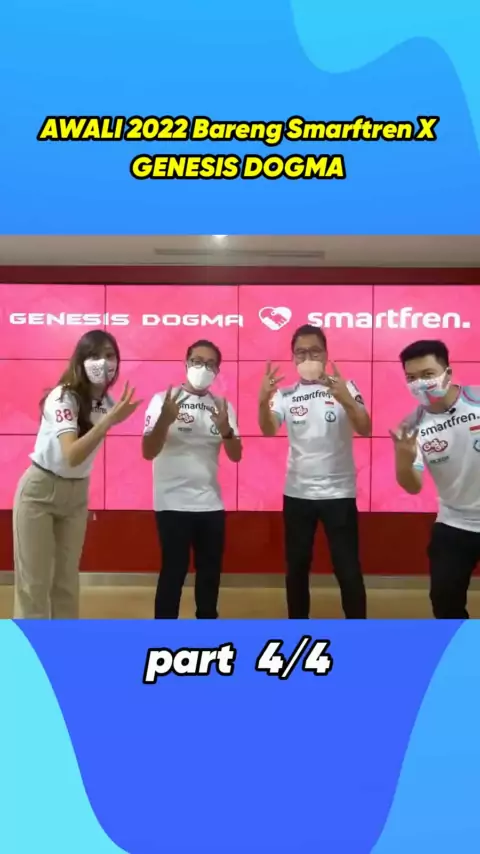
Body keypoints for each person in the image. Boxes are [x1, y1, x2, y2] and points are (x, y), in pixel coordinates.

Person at [13, 330, 141, 620]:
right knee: (34, 584)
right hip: (40, 491)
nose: (103, 363)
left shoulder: (106, 402)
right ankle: (30, 647)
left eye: (109, 355)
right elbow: (71, 454)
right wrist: (109, 421)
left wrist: (111, 416)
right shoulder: (63, 397)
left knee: (67, 582)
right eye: (94, 355)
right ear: (80, 360)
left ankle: (65, 644)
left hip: (76, 495)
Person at [258, 324, 370, 619]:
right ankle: (298, 628)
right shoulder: (285, 395)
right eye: (301, 352)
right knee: (296, 568)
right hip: (298, 494)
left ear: (326, 354)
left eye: (315, 351)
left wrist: (345, 399)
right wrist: (262, 400)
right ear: (293, 357)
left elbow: (365, 428)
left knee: (347, 568)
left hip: (339, 494)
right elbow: (268, 429)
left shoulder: (347, 387)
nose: (308, 357)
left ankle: (359, 632)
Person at [142, 339, 242, 619]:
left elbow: (236, 455)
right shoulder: (163, 400)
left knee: (210, 574)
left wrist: (226, 430)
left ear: (217, 371)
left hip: (210, 504)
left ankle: (206, 631)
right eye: (197, 361)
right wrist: (164, 420)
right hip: (172, 503)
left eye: (210, 364)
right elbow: (148, 451)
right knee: (173, 571)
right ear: (186, 363)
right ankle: (164, 634)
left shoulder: (222, 406)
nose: (203, 368)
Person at [391, 339, 480, 619]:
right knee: (444, 602)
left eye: (427, 374)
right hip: (454, 524)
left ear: (447, 373)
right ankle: (461, 647)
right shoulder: (410, 427)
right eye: (412, 378)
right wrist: (403, 458)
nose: (420, 384)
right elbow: (413, 486)